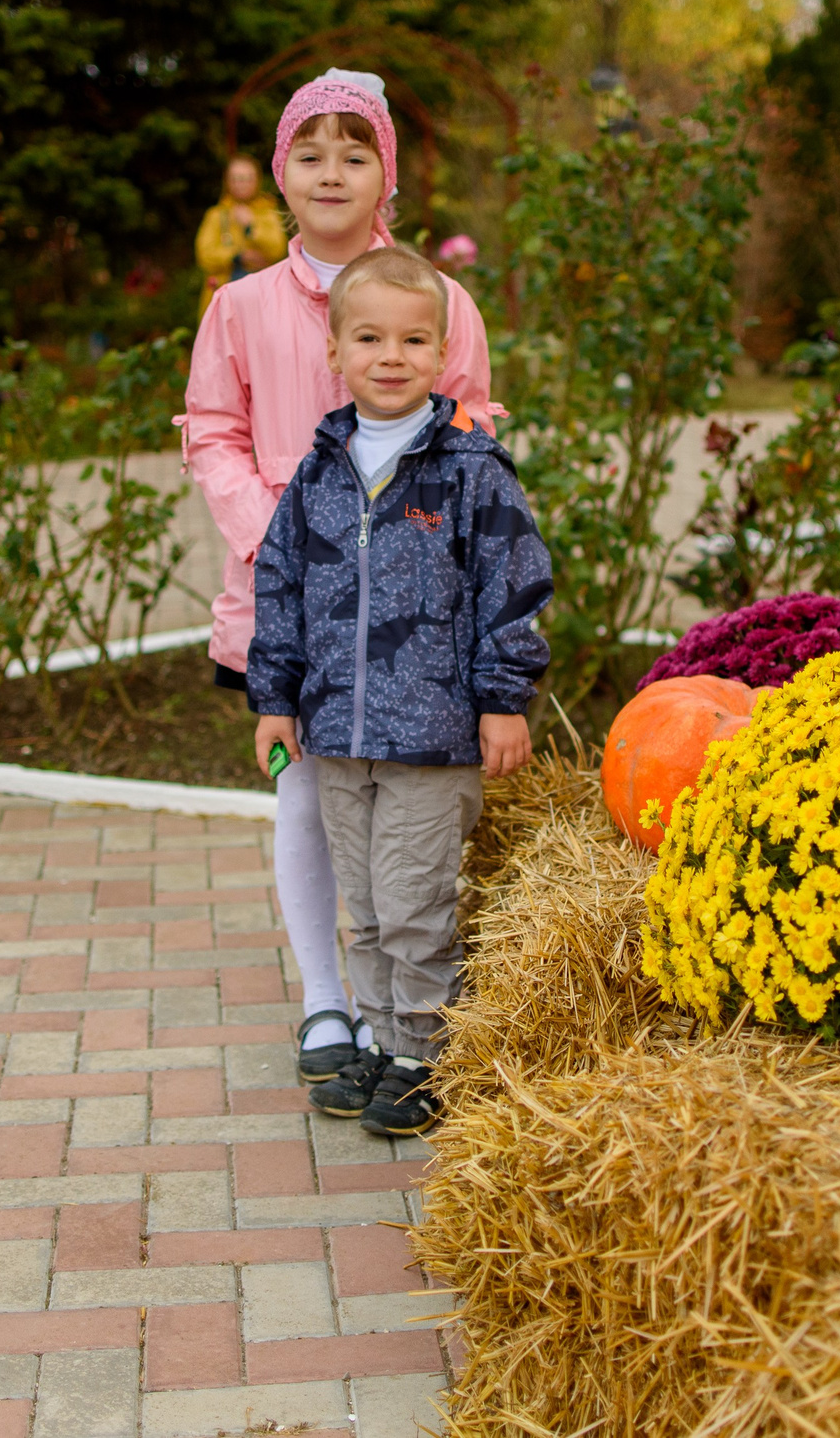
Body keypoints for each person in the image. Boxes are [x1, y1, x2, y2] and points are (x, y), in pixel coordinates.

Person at [180, 69, 500, 1096]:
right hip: (287, 605)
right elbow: (211, 430)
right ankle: (327, 996)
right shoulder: (238, 306)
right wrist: (281, 531)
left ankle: (394, 1012)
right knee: (308, 797)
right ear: (280, 173)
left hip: (407, 611)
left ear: (384, 173)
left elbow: (473, 419)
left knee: (391, 806)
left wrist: (403, 529)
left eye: (352, 153)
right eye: (309, 154)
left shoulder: (437, 301)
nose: (331, 173)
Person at [248, 245, 551, 1138]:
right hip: (337, 731)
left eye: (414, 339)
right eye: (370, 337)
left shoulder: (469, 470)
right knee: (371, 905)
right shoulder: (317, 473)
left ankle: (427, 1053)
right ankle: (380, 1039)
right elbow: (281, 588)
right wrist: (277, 695)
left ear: (442, 352)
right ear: (335, 353)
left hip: (433, 738)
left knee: (416, 903)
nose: (392, 356)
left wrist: (503, 699)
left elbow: (514, 588)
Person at [194, 153, 287, 314]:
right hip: (225, 293)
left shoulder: (268, 212)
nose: (241, 184)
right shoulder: (216, 215)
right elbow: (205, 256)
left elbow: (278, 249)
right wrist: (237, 256)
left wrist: (251, 228)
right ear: (227, 182)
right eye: (236, 179)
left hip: (262, 294)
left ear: (257, 181)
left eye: (247, 179)